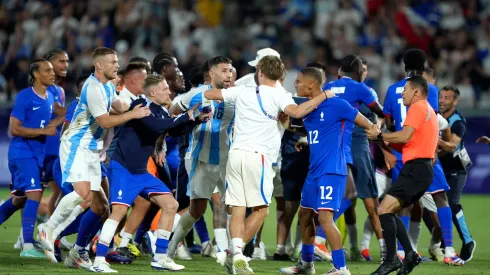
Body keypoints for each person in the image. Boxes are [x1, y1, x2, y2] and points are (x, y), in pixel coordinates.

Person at [204, 55, 330, 274]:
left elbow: (208, 93)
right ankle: (237, 254)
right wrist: (325, 95)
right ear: (281, 75)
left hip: (236, 155)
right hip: (259, 157)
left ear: (260, 72)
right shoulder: (281, 95)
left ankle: (233, 252)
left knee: (238, 209)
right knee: (261, 211)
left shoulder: (242, 91)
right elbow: (298, 113)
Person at [38, 47, 151, 269]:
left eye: (117, 61)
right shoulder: (92, 88)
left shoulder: (108, 86)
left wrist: (144, 106)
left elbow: (121, 107)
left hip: (92, 149)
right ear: (99, 65)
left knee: (101, 208)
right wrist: (134, 114)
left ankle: (78, 253)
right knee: (83, 194)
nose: (117, 65)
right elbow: (106, 121)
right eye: (113, 62)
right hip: (76, 146)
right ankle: (49, 228)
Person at [90, 74, 208, 272]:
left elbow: (172, 131)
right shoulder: (140, 104)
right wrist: (183, 116)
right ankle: (99, 259)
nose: (169, 92)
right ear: (152, 92)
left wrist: (195, 121)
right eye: (164, 89)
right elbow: (157, 126)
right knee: (118, 211)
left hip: (140, 172)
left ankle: (160, 257)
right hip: (123, 169)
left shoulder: (160, 111)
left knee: (171, 204)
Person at [281, 67, 379, 275]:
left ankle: (341, 268)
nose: (295, 84)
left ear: (311, 84)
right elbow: (316, 131)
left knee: (324, 219)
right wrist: (294, 131)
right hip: (314, 170)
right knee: (305, 215)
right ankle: (306, 264)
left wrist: (374, 131)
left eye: (298, 81)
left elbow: (367, 124)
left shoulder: (337, 104)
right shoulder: (308, 109)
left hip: (332, 169)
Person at [383, 49, 463, 265]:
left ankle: (401, 252)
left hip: (401, 152)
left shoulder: (392, 90)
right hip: (424, 152)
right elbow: (432, 121)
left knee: (403, 203)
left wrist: (388, 149)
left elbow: (388, 123)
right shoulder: (430, 90)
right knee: (440, 198)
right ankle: (449, 251)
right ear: (424, 64)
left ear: (404, 66)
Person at [367, 76, 439, 275]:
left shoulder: (418, 108)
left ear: (416, 92)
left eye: (405, 89)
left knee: (383, 209)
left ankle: (391, 260)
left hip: (416, 169)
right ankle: (409, 255)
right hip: (420, 169)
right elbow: (408, 142)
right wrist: (385, 144)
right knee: (387, 210)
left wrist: (379, 136)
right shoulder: (427, 109)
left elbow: (404, 136)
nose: (402, 93)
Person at [167, 56, 234, 261]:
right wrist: (190, 117)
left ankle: (230, 253)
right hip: (200, 159)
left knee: (233, 206)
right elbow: (172, 110)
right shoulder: (195, 95)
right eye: (224, 70)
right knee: (196, 209)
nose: (229, 74)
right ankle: (169, 250)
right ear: (211, 73)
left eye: (230, 70)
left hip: (227, 159)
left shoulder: (236, 95)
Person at [322, 55, 388, 260]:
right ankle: (385, 248)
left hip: (334, 143)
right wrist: (378, 127)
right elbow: (380, 112)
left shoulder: (330, 85)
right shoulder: (362, 89)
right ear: (359, 72)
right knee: (369, 197)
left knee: (342, 193)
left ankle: (317, 241)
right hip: (357, 141)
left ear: (341, 70)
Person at [0, 59, 63, 258]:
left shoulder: (49, 96)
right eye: (48, 70)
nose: (53, 73)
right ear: (36, 74)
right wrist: (43, 131)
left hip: (36, 155)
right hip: (22, 152)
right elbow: (14, 128)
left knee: (19, 200)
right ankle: (27, 246)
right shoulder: (26, 96)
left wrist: (62, 118)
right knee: (35, 193)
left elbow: (64, 113)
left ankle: (28, 241)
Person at [438, 85, 476, 261]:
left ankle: (468, 241)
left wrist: (431, 143)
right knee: (427, 206)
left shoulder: (457, 122)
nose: (442, 100)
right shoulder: (436, 115)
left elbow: (451, 146)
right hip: (438, 167)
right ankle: (441, 244)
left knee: (452, 204)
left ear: (455, 101)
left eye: (447, 98)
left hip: (455, 169)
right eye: (441, 96)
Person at [42, 49, 68, 219]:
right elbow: (60, 113)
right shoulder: (43, 89)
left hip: (56, 146)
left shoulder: (59, 90)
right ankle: (24, 236)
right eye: (61, 61)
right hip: (42, 147)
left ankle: (53, 233)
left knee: (59, 191)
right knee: (33, 192)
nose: (65, 65)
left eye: (66, 61)